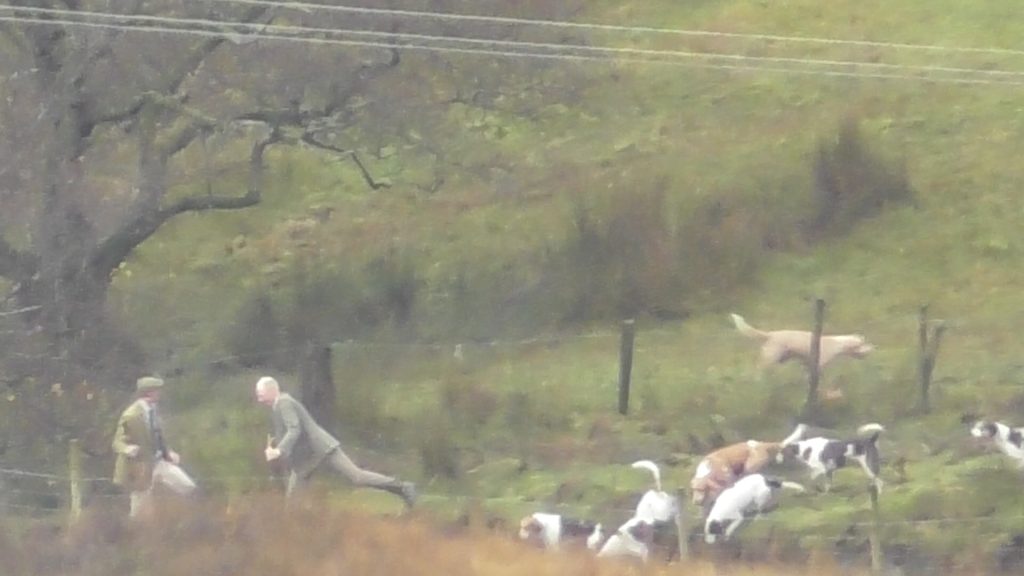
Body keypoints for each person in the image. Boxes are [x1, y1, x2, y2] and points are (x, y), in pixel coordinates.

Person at [255, 375, 416, 508]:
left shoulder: (284, 403)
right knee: (294, 497)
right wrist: (277, 450)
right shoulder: (279, 405)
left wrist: (279, 450)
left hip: (320, 448)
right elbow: (291, 432)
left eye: (260, 394)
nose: (259, 399)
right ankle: (296, 528)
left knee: (357, 476)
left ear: (272, 390)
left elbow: (294, 429)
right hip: (309, 456)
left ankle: (403, 487)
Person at [111, 376, 197, 518]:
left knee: (188, 487)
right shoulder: (131, 415)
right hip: (141, 466)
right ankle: (135, 530)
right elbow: (117, 442)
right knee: (139, 507)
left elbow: (157, 437)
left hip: (159, 461)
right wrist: (129, 449)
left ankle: (187, 519)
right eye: (157, 390)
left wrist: (168, 452)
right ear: (149, 392)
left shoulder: (154, 410)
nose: (160, 393)